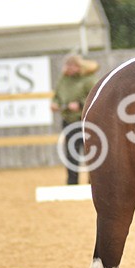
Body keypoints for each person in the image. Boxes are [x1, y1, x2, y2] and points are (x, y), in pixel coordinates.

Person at [51, 54, 100, 185]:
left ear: (77, 66)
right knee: (71, 152)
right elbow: (57, 95)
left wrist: (80, 104)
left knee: (90, 152)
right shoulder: (64, 79)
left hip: (85, 122)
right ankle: (72, 182)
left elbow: (96, 97)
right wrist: (54, 103)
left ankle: (93, 182)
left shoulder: (89, 79)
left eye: (70, 66)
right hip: (68, 121)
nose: (67, 68)